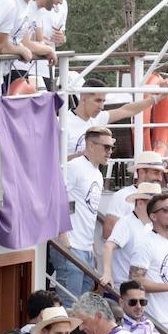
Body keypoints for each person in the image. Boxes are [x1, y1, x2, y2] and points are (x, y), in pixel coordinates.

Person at [55, 125, 114, 304]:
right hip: (71, 245)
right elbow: (57, 198)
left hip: (85, 248)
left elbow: (89, 212)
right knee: (71, 305)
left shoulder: (97, 173)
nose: (110, 151)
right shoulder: (74, 167)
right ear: (90, 145)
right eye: (106, 147)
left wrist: (92, 250)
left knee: (81, 308)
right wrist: (63, 238)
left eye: (112, 147)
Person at [131, 192, 168, 333]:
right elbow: (135, 282)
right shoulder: (145, 244)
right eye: (166, 210)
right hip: (150, 325)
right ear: (153, 216)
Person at [61, 88, 158, 161]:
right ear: (83, 99)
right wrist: (86, 154)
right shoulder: (61, 123)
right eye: (98, 100)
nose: (102, 106)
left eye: (103, 101)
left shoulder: (98, 118)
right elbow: (52, 161)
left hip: (92, 181)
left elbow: (127, 110)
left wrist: (156, 98)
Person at [101, 182, 159, 288]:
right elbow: (109, 246)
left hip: (138, 290)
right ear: (140, 203)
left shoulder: (149, 226)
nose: (157, 209)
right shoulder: (126, 223)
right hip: (123, 290)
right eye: (154, 204)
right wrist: (107, 274)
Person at [100, 151, 168, 228]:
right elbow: (108, 233)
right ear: (142, 172)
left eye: (161, 174)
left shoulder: (162, 199)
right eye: (156, 173)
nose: (160, 178)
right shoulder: (121, 196)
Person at [32, 0, 71, 88]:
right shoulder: (29, 6)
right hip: (21, 66)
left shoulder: (61, 5)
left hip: (46, 67)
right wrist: (46, 49)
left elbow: (42, 39)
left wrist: (61, 39)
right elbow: (24, 41)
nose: (60, 1)